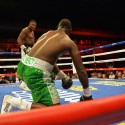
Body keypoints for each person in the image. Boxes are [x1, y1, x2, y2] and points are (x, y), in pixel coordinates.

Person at [1, 18, 93, 114]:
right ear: (70, 31)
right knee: (54, 111)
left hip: (23, 66)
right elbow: (80, 69)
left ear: (58, 27)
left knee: (42, 103)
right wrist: (87, 94)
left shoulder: (47, 33)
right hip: (35, 73)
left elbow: (44, 58)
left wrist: (63, 76)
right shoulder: (69, 42)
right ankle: (13, 102)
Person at [17, 20, 37, 91]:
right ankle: (23, 84)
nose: (34, 26)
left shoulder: (32, 32)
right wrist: (24, 48)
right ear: (29, 24)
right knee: (26, 66)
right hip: (25, 48)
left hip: (31, 49)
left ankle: (25, 83)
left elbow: (32, 42)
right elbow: (19, 39)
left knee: (31, 66)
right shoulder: (25, 30)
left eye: (35, 25)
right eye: (33, 25)